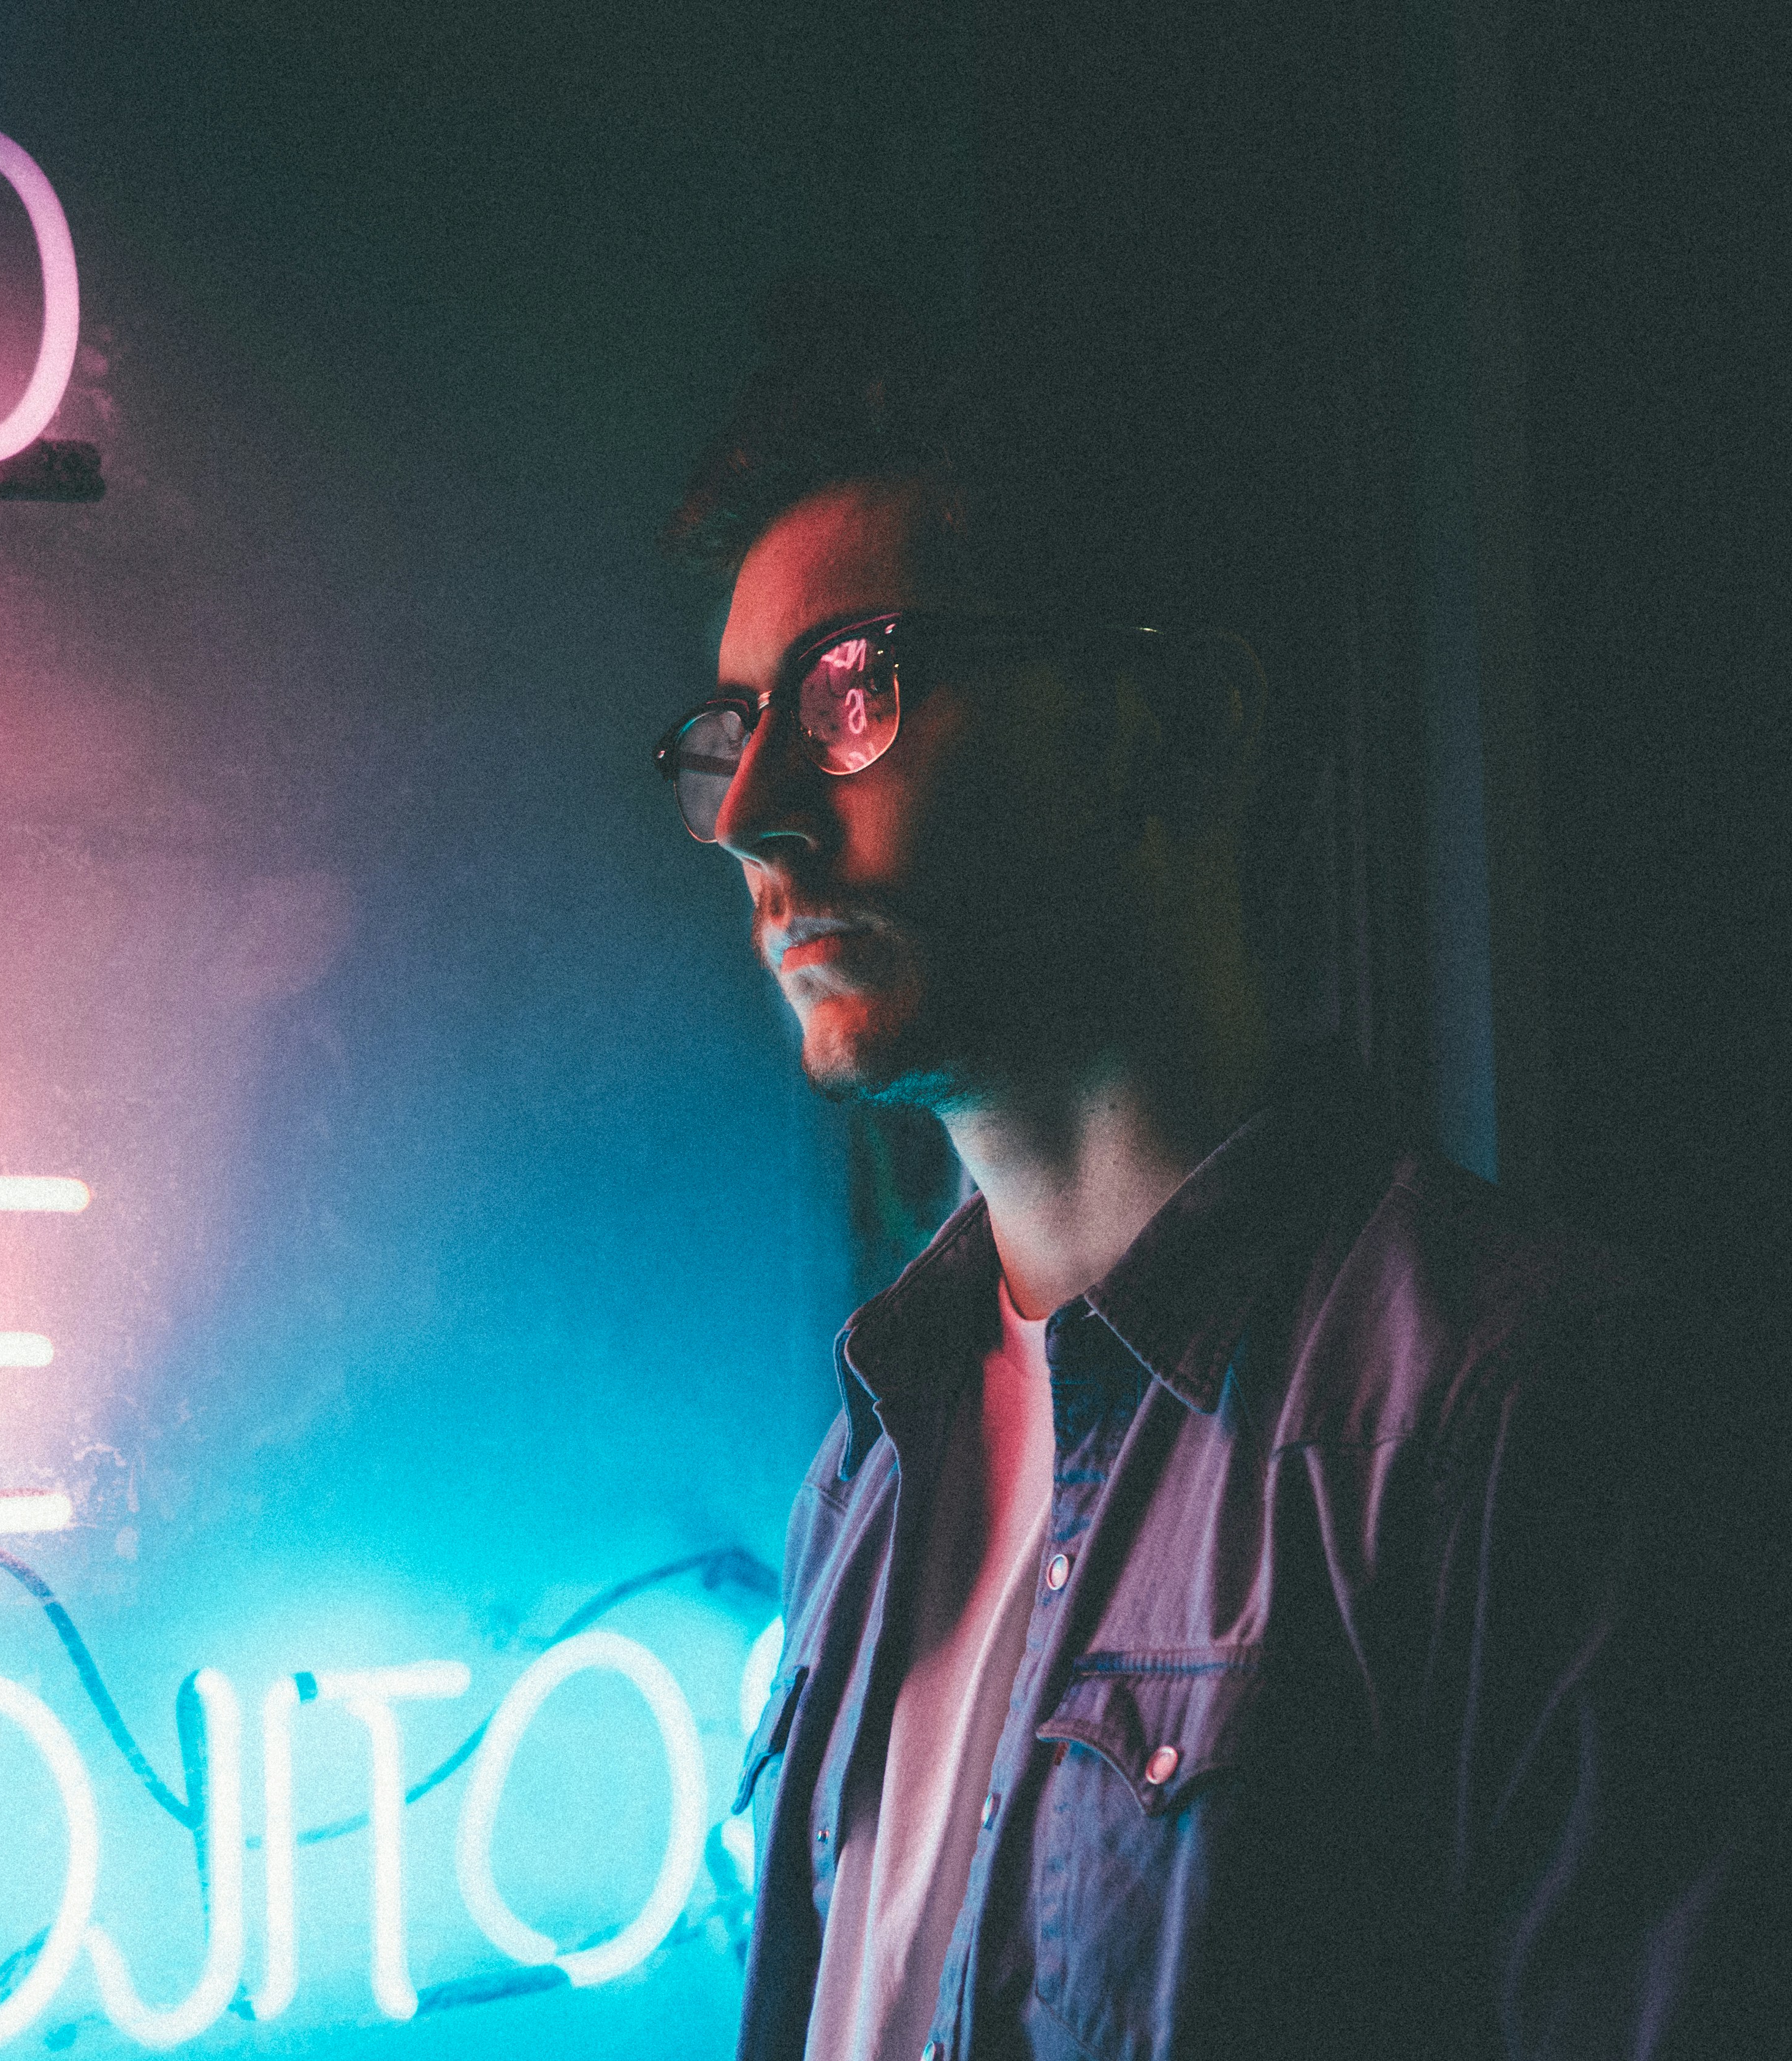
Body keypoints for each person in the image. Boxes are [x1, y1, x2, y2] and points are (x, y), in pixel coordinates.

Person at [658, 330, 1731, 2059]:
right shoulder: (868, 1462)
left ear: (1184, 730)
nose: (756, 814)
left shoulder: (1506, 1422)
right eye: (738, 724)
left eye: (857, 686)